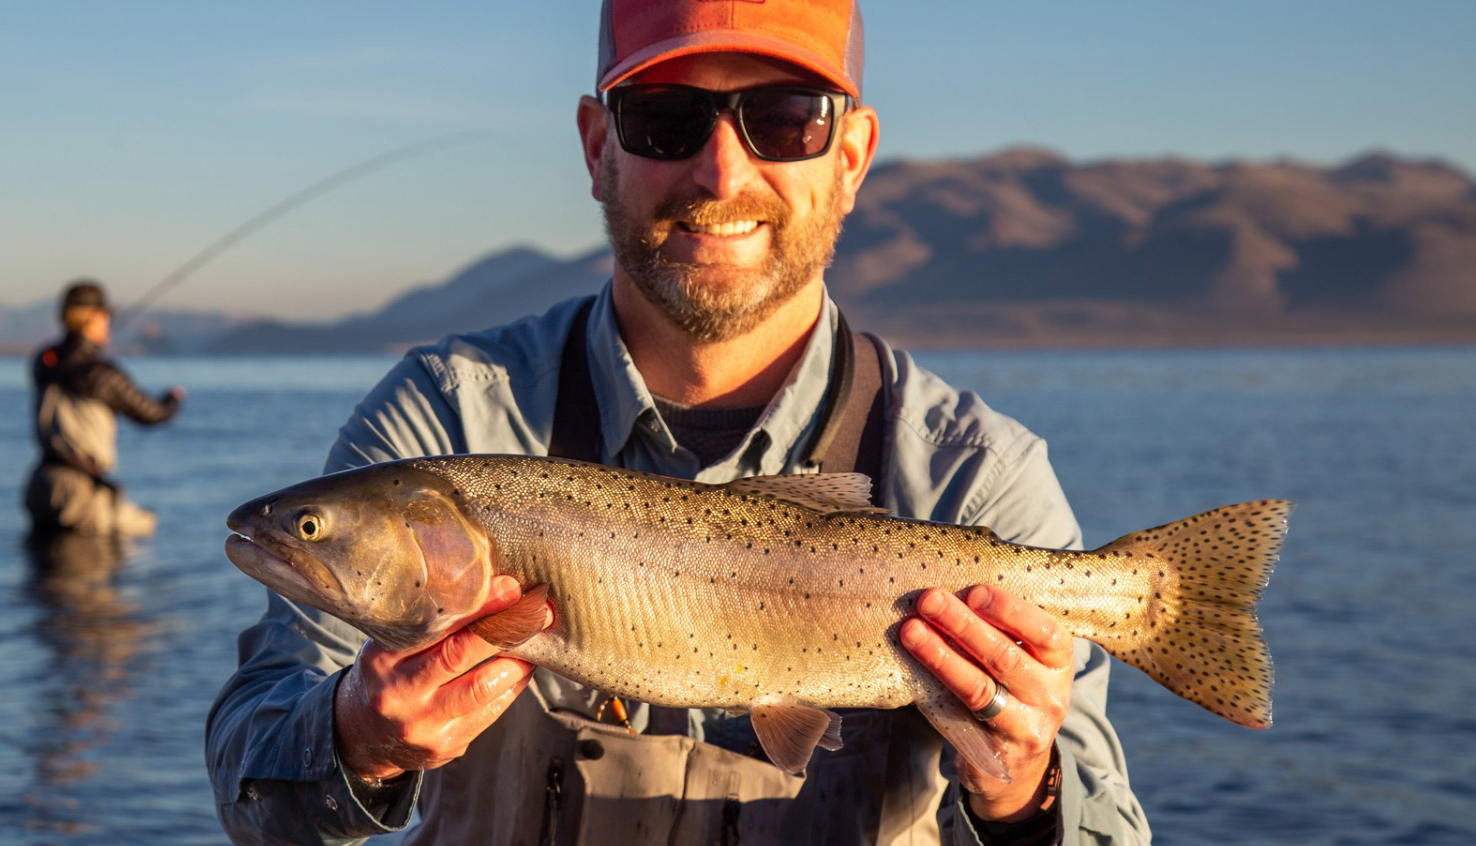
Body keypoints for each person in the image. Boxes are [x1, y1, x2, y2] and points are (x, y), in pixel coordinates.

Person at [207, 1, 1150, 843]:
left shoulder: (978, 476)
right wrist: (357, 739)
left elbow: (1108, 825)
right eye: (665, 119)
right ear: (595, 148)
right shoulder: (445, 416)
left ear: (852, 155)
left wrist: (1025, 795)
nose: (721, 169)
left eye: (786, 120)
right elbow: (251, 765)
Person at [24, 280, 183, 538]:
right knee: (85, 574)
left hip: (41, 484)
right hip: (78, 492)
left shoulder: (45, 361)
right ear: (93, 319)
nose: (108, 322)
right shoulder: (100, 374)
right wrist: (173, 399)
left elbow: (66, 364)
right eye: (105, 316)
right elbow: (152, 414)